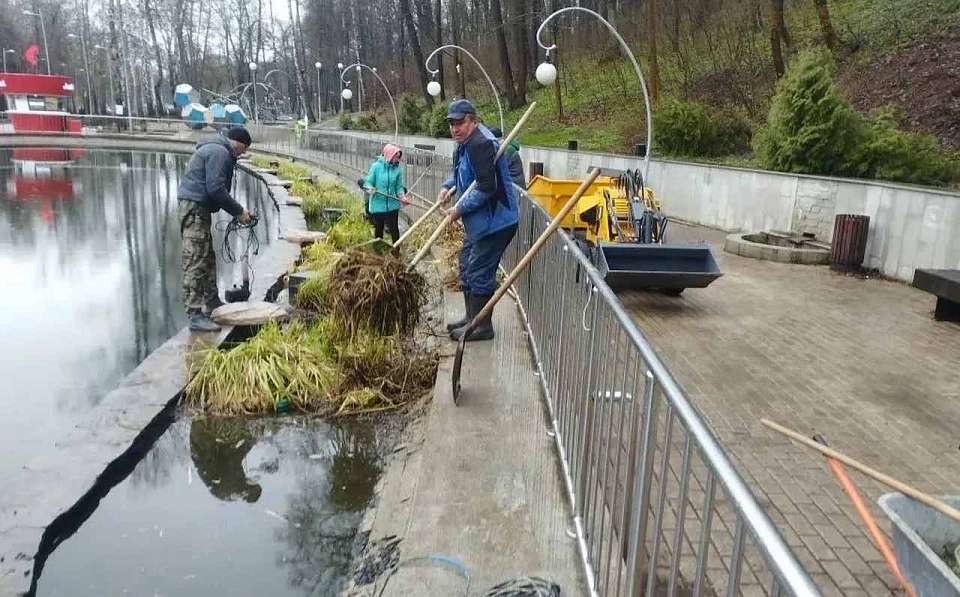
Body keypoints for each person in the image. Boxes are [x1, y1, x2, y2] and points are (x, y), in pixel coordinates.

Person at [439, 99, 519, 342]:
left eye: (460, 123)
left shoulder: (480, 144)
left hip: (496, 221)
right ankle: (471, 318)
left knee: (479, 270)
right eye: (451, 124)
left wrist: (458, 209)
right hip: (480, 222)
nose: (455, 128)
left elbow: (486, 186)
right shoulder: (464, 144)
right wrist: (447, 186)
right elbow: (461, 171)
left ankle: (482, 327)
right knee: (466, 264)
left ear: (473, 120)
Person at [177, 126, 253, 332]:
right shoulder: (220, 153)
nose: (241, 154)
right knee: (195, 260)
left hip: (198, 209)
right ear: (237, 142)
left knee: (207, 257)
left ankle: (212, 303)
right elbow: (215, 189)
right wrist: (239, 211)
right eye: (243, 149)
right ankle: (194, 314)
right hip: (194, 209)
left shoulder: (216, 149)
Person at [363, 143, 408, 243]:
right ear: (389, 155)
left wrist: (402, 196)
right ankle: (378, 254)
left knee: (395, 230)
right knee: (379, 231)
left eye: (398, 157)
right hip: (378, 205)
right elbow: (368, 182)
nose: (397, 160)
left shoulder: (397, 170)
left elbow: (399, 187)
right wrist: (371, 188)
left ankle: (396, 252)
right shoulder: (376, 167)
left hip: (392, 205)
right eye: (396, 157)